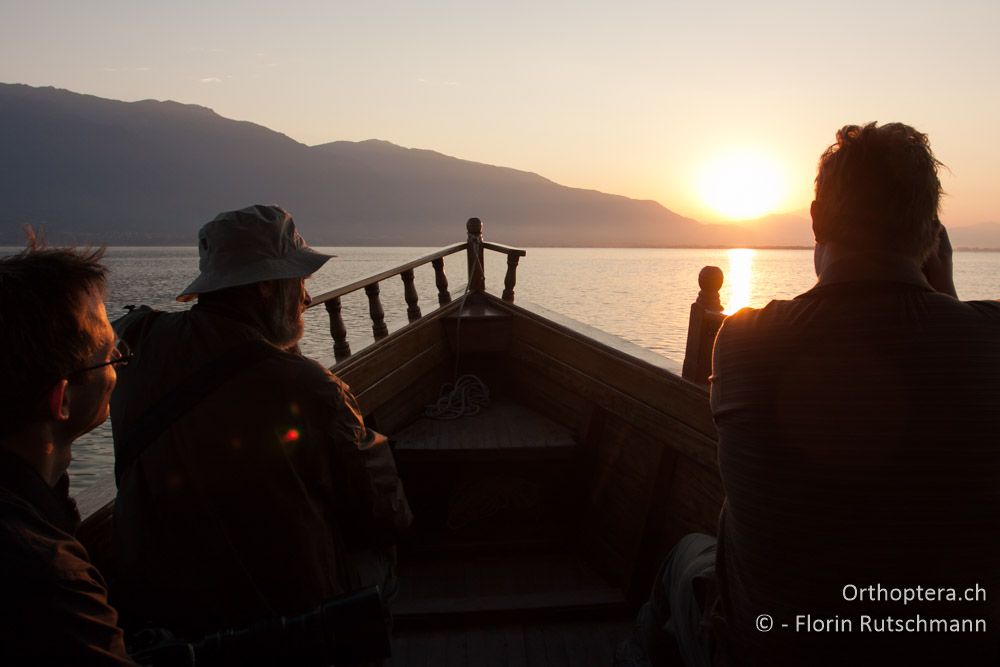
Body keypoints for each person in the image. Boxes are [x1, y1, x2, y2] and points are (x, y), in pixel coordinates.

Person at [626, 123, 1000, 666]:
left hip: (769, 647)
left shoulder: (744, 342)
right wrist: (945, 294)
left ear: (817, 220)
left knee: (685, 558)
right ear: (931, 234)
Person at [109, 204, 413, 638]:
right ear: (269, 286)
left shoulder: (136, 347)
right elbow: (386, 514)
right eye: (301, 282)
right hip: (274, 623)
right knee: (380, 558)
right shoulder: (308, 388)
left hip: (161, 621)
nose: (307, 298)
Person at [0, 235, 134, 664]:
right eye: (110, 356)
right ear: (61, 400)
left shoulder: (34, 511)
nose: (118, 367)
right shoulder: (47, 577)